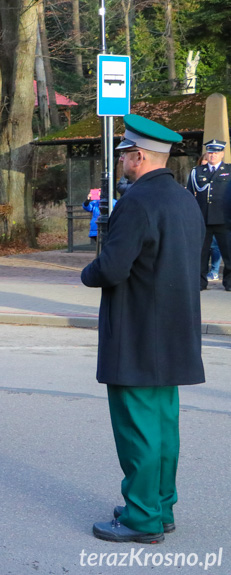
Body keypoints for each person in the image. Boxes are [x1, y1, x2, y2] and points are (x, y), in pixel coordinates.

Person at [82, 114, 205, 544]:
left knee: (137, 431)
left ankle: (142, 518)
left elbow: (112, 268)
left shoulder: (136, 201)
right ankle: (159, 504)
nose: (120, 162)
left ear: (138, 156)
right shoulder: (185, 198)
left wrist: (88, 272)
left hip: (137, 333)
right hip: (173, 331)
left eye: (123, 155)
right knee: (163, 427)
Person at [186, 139, 231, 290]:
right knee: (200, 253)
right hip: (202, 218)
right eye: (210, 152)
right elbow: (189, 194)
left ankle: (229, 282)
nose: (213, 155)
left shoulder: (229, 170)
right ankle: (200, 282)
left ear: (222, 154)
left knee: (229, 252)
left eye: (216, 152)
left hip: (224, 218)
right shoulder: (197, 171)